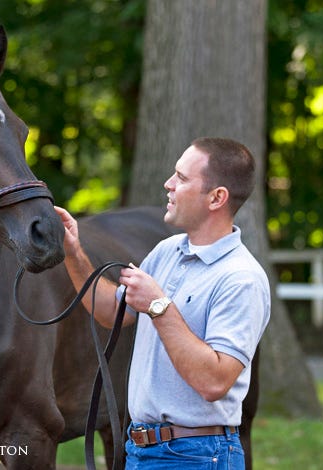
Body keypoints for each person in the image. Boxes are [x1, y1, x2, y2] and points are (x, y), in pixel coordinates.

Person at [54, 137, 270, 469]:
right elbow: (113, 313)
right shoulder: (167, 252)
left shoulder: (241, 278)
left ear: (217, 197)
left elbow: (213, 382)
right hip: (140, 450)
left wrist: (158, 305)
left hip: (199, 455)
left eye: (182, 178)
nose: (168, 184)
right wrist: (73, 252)